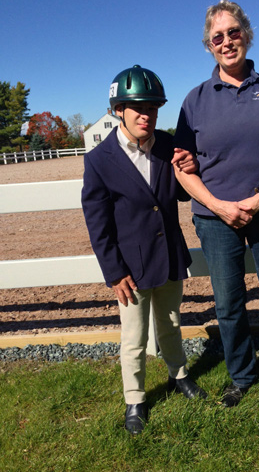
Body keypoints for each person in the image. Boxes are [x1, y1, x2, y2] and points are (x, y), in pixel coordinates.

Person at [173, 0, 259, 444]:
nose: (227, 41)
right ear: (208, 46)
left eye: (233, 32)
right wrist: (220, 205)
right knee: (229, 304)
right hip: (215, 219)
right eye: (218, 36)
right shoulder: (194, 101)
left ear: (246, 35)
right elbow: (182, 166)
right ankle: (242, 375)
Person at [82, 65, 207, 436]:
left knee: (170, 323)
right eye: (136, 107)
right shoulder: (99, 160)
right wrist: (113, 271)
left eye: (152, 108)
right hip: (130, 268)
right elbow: (98, 222)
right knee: (133, 337)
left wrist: (191, 165)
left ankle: (179, 375)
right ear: (118, 110)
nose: (145, 115)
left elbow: (184, 191)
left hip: (169, 255)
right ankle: (135, 398)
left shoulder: (168, 145)